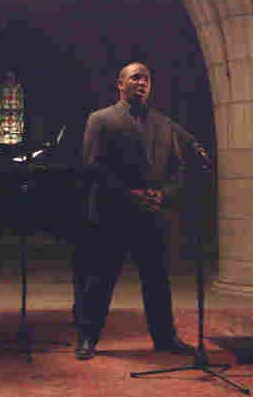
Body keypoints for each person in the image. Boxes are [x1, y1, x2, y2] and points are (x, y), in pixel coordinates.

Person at [73, 62, 194, 360]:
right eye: (135, 77)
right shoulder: (100, 119)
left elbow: (178, 170)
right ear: (120, 83)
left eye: (147, 79)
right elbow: (93, 167)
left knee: (157, 281)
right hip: (112, 213)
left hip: (152, 215)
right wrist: (130, 195)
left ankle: (165, 338)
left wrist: (163, 195)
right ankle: (87, 338)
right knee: (100, 280)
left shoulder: (164, 124)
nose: (142, 82)